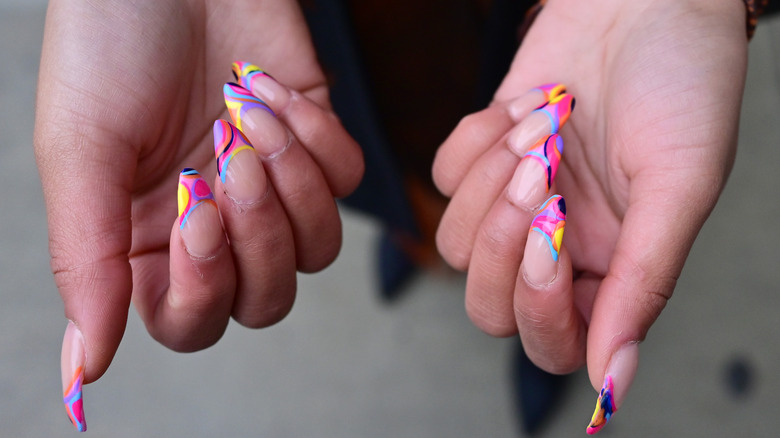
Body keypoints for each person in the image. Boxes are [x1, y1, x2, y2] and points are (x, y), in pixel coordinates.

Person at [35, 0, 767, 433]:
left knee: (539, 233)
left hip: (555, 26)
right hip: (323, 28)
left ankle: (533, 303)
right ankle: (413, 232)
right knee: (360, 161)